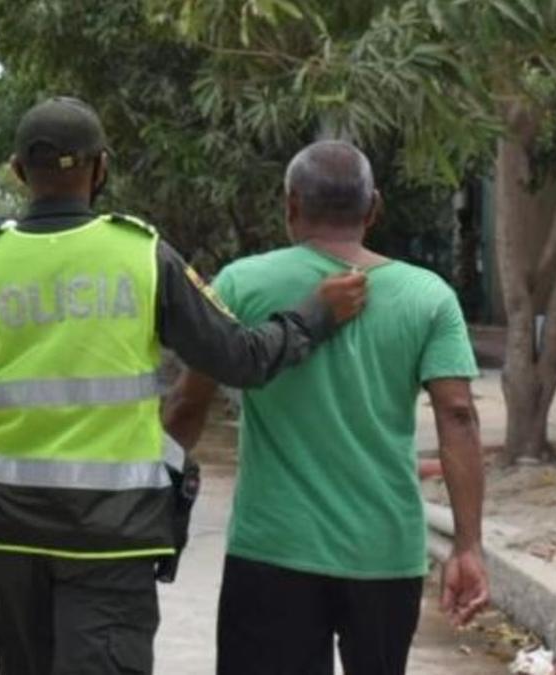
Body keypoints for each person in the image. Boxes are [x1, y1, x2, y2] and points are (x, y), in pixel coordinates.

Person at [0, 96, 367, 675]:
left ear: (16, 171)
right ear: (100, 168)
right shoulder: (140, 254)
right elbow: (241, 360)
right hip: (115, 535)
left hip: (9, 534)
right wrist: (313, 313)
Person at [164, 140, 488, 675]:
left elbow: (186, 406)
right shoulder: (427, 296)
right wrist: (469, 546)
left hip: (272, 549)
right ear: (374, 208)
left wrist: (148, 508)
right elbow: (458, 418)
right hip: (384, 552)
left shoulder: (243, 283)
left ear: (291, 205)